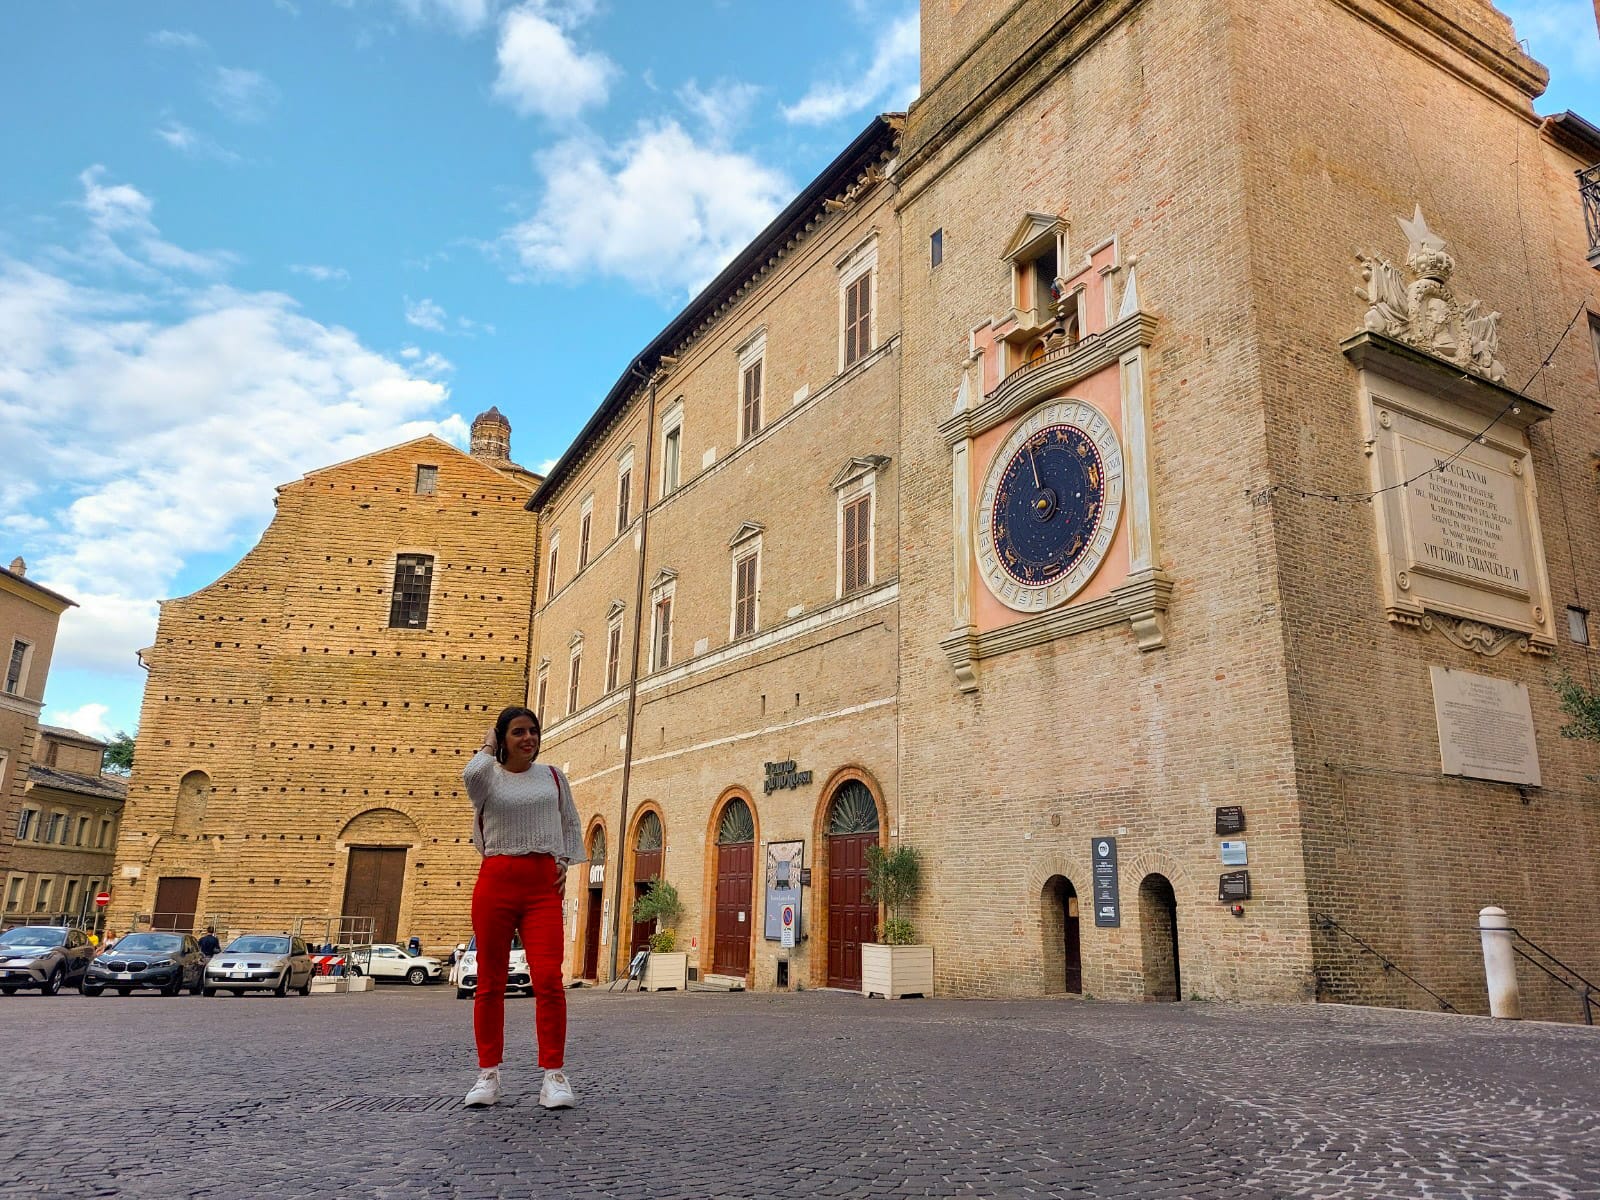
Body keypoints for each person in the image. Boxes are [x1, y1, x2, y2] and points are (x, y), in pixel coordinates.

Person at [461, 705, 584, 1111]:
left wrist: (563, 862)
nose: (528, 738)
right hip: (496, 880)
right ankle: (488, 1074)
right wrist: (487, 743)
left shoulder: (552, 776)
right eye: (517, 732)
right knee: (490, 982)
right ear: (502, 738)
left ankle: (554, 1075)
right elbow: (470, 775)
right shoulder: (487, 777)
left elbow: (569, 823)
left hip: (541, 885)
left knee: (549, 978)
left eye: (532, 731)